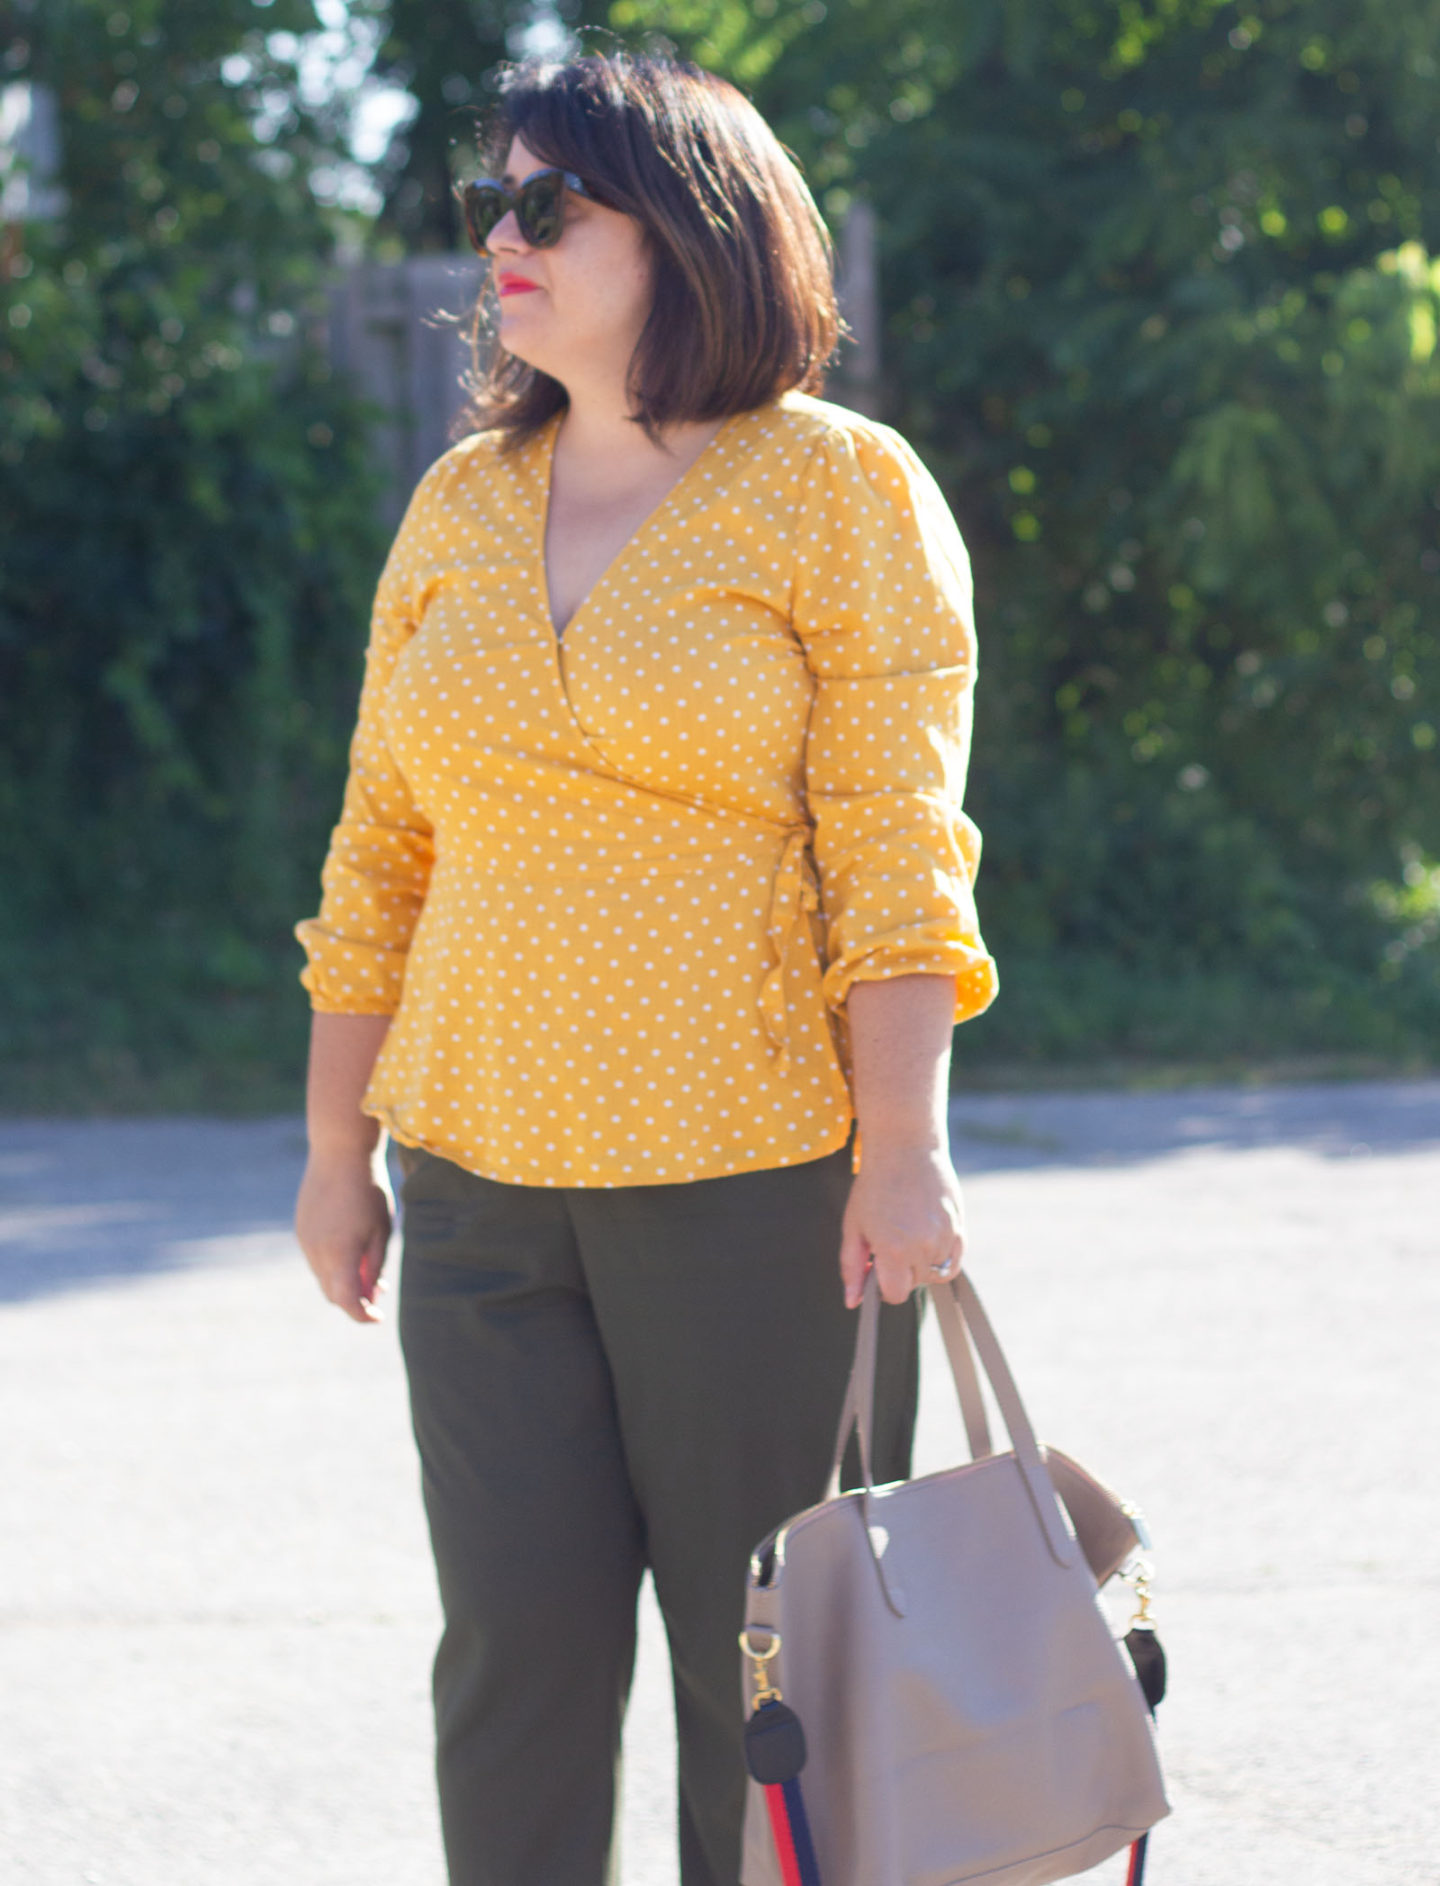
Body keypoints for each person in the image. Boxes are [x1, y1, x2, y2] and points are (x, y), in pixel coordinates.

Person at [293, 49, 998, 1886]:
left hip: (759, 1182)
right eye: (488, 208)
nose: (500, 240)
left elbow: (897, 846)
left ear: (687, 229)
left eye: (550, 204)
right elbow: (381, 848)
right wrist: (329, 1148)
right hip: (474, 1188)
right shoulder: (459, 499)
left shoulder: (838, 488)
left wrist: (903, 1148)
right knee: (510, 1671)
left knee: (765, 1687)